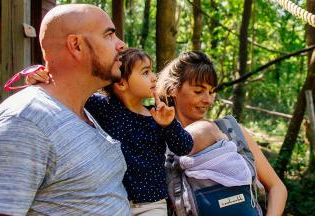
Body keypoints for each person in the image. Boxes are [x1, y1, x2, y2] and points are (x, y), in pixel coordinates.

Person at [0, 4, 130, 215]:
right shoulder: (23, 123)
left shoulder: (80, 111)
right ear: (76, 45)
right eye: (109, 35)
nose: (121, 45)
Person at [27, 48, 194, 215]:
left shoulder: (157, 115)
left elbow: (184, 147)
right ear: (121, 83)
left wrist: (169, 124)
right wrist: (43, 79)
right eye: (145, 72)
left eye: (151, 71)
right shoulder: (103, 107)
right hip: (112, 202)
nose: (154, 77)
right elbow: (68, 93)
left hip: (151, 204)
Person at [156, 51, 287, 216]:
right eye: (198, 91)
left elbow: (277, 187)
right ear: (172, 89)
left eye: (211, 92)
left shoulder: (231, 131)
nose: (208, 100)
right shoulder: (157, 140)